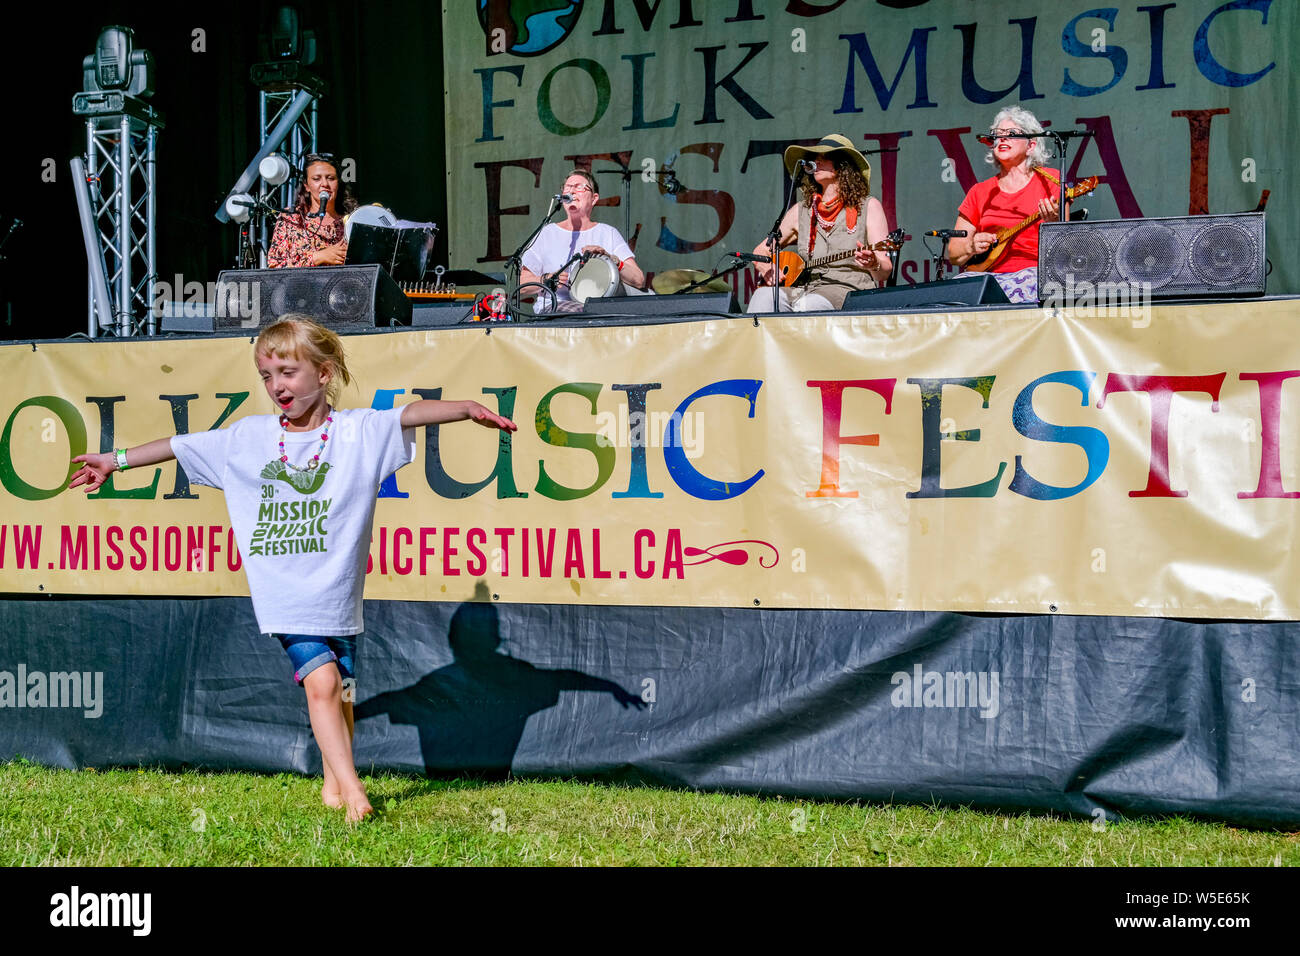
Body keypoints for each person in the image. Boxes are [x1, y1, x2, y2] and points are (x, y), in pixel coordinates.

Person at [69, 316, 517, 822]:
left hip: (337, 596)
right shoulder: (249, 438)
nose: (276, 385)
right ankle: (355, 794)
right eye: (266, 375)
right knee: (322, 684)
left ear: (324, 374)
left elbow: (408, 414)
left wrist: (465, 409)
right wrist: (115, 459)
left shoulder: (356, 433)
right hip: (287, 597)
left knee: (343, 688)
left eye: (286, 371)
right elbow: (179, 445)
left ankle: (330, 784)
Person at [748, 133, 892, 313]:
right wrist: (766, 267)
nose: (817, 162)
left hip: (849, 291)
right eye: (814, 158)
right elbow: (760, 251)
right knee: (763, 297)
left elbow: (885, 271)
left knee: (809, 305)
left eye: (824, 157)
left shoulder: (869, 206)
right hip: (806, 288)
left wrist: (873, 264)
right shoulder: (802, 210)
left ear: (842, 165)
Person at [947, 106, 1065, 303]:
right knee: (952, 296)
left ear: (1031, 145)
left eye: (1011, 134)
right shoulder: (980, 192)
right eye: (997, 135)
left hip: (1034, 273)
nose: (1002, 139)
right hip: (986, 276)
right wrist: (971, 246)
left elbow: (1067, 246)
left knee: (1015, 293)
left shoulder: (1052, 182)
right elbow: (954, 253)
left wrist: (1054, 222)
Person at [518, 169, 645, 312]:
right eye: (568, 187)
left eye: (579, 187)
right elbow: (521, 283)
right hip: (555, 308)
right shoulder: (547, 233)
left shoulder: (608, 233)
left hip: (599, 309)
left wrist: (611, 259)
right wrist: (547, 279)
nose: (572, 191)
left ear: (594, 198)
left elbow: (638, 280)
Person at [267, 153, 359, 269]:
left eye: (331, 178)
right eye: (316, 179)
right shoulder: (291, 217)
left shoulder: (350, 221)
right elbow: (274, 266)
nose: (325, 184)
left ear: (338, 183)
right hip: (300, 287)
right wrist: (317, 257)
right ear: (306, 185)